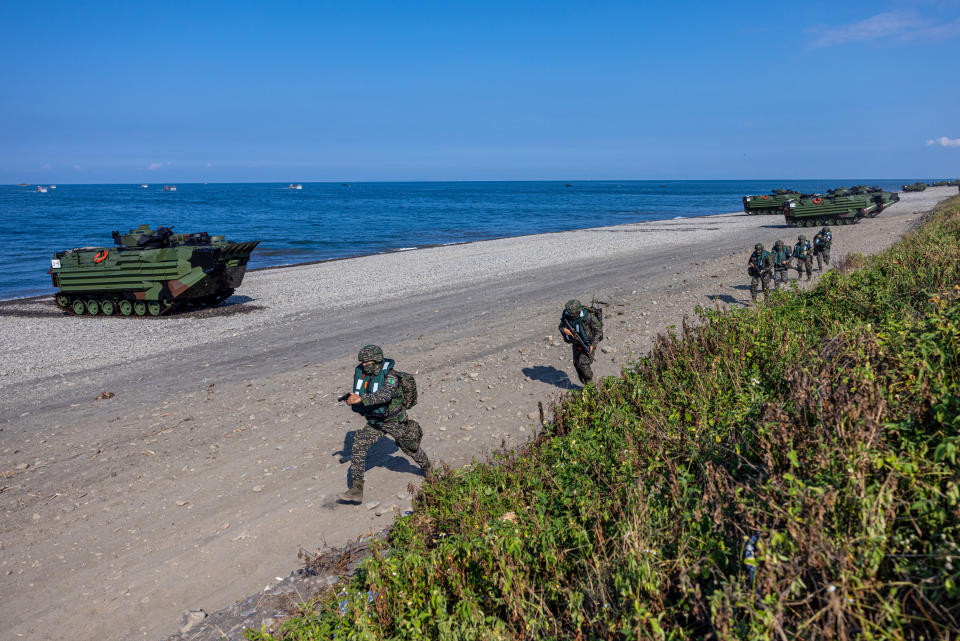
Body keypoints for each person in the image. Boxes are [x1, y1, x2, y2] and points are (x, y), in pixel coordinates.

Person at [338, 345, 431, 504]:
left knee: (411, 449)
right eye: (363, 362)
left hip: (394, 421)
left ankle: (429, 470)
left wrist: (362, 399)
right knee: (359, 446)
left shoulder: (391, 375)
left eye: (367, 362)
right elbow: (362, 393)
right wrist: (352, 400)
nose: (364, 365)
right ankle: (357, 489)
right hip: (375, 422)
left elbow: (385, 394)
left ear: (377, 360)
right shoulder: (364, 374)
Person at [559, 299, 602, 385]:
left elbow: (599, 332)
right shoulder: (566, 316)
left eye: (574, 314)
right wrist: (564, 330)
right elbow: (561, 326)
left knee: (583, 364)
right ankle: (586, 385)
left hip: (588, 344)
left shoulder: (588, 317)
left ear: (579, 310)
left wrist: (593, 345)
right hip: (576, 343)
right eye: (570, 314)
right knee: (577, 365)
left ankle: (590, 383)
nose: (572, 316)